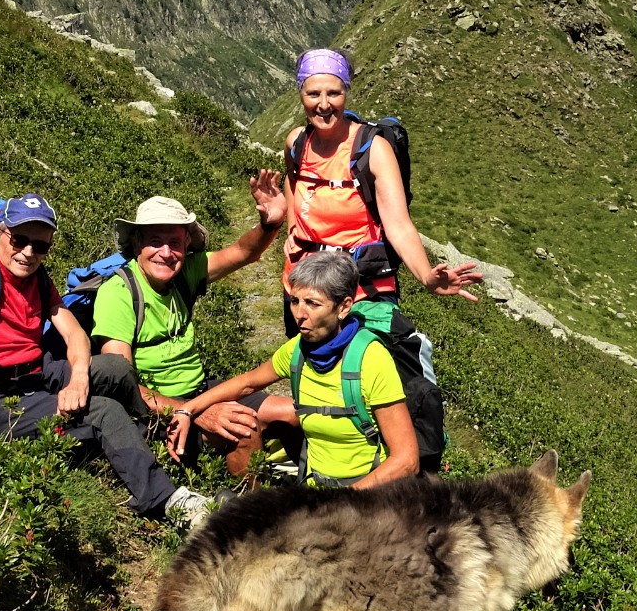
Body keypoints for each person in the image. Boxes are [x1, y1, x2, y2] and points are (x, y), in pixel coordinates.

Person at [0, 172, 213, 524]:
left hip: (37, 373)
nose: (29, 252)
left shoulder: (37, 280)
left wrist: (77, 379)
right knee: (102, 410)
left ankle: (154, 429)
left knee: (115, 368)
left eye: (40, 246)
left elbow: (75, 335)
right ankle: (167, 500)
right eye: (19, 240)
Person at [93, 177, 297, 483]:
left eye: (175, 242)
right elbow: (126, 389)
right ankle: (260, 516)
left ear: (187, 244)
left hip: (200, 392)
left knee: (294, 413)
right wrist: (196, 413)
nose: (165, 252)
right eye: (154, 241)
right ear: (136, 244)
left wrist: (270, 224)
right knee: (244, 427)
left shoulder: (184, 272)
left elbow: (243, 252)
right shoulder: (117, 294)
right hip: (159, 410)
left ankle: (313, 489)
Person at [167, 253, 419, 490]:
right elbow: (246, 383)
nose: (300, 314)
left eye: (313, 303)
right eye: (295, 301)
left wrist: (344, 502)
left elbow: (406, 460)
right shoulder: (298, 350)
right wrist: (187, 409)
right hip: (313, 493)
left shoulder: (372, 359)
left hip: (367, 497)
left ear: (343, 307)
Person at [282, 47, 483, 332]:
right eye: (313, 94)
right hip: (301, 287)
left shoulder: (373, 149)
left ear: (346, 93)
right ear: (301, 95)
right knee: (307, 372)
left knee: (365, 373)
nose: (324, 104)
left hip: (361, 290)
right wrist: (292, 229)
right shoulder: (296, 142)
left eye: (334, 94)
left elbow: (398, 225)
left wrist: (426, 276)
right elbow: (293, 183)